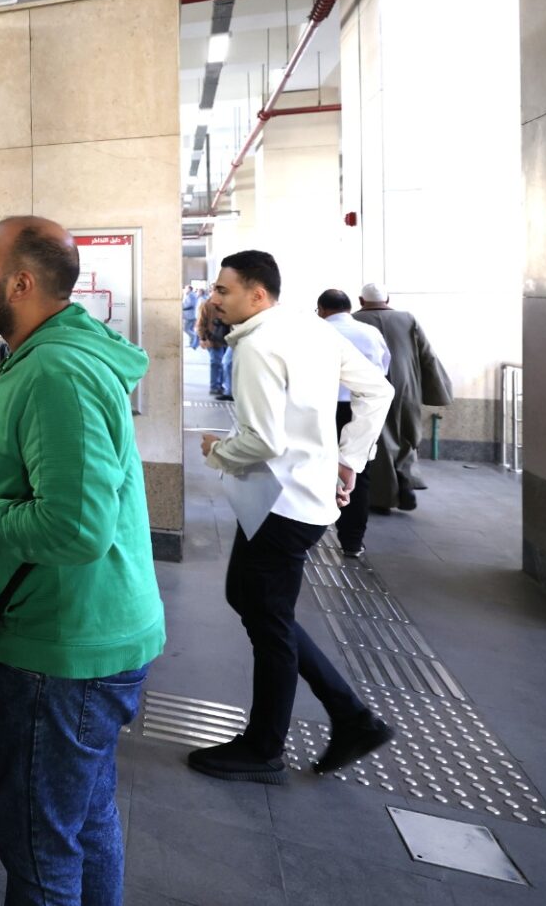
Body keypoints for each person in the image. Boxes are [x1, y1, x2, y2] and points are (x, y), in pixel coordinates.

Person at [0, 217, 165, 904]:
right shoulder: (40, 356)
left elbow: (74, 528)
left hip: (62, 649)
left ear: (21, 282)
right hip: (76, 633)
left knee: (38, 842)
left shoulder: (56, 371)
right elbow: (45, 475)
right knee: (82, 819)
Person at [191, 251, 396, 787]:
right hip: (297, 500)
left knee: (269, 620)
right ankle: (350, 717)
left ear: (257, 295)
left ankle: (268, 747)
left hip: (279, 503)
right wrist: (350, 458)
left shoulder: (258, 345)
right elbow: (379, 389)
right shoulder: (311, 328)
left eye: (224, 290)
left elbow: (262, 440)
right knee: (253, 601)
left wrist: (217, 451)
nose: (215, 298)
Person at [353, 284, 452, 511]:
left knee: (381, 440)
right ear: (387, 299)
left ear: (361, 300)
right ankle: (407, 481)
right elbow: (427, 354)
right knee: (408, 435)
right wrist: (438, 389)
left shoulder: (354, 320)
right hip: (408, 386)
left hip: (371, 388)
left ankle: (384, 497)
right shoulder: (408, 319)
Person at [316, 289, 392, 557]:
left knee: (315, 466)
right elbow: (383, 369)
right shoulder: (371, 333)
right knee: (357, 473)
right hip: (362, 408)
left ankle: (311, 530)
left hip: (323, 408)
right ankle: (352, 541)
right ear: (350, 307)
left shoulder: (318, 331)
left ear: (322, 309)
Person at [197, 290, 232, 399]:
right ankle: (215, 386)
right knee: (217, 362)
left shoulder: (228, 304)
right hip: (213, 339)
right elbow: (201, 323)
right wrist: (203, 338)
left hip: (227, 339)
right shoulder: (207, 305)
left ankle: (221, 386)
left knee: (224, 363)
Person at [182, 283, 200, 350]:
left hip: (190, 315)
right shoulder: (189, 295)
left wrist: (182, 306)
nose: (185, 290)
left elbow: (190, 304)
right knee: (191, 329)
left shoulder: (191, 295)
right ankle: (192, 343)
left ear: (189, 289)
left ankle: (195, 337)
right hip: (190, 315)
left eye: (186, 288)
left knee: (186, 329)